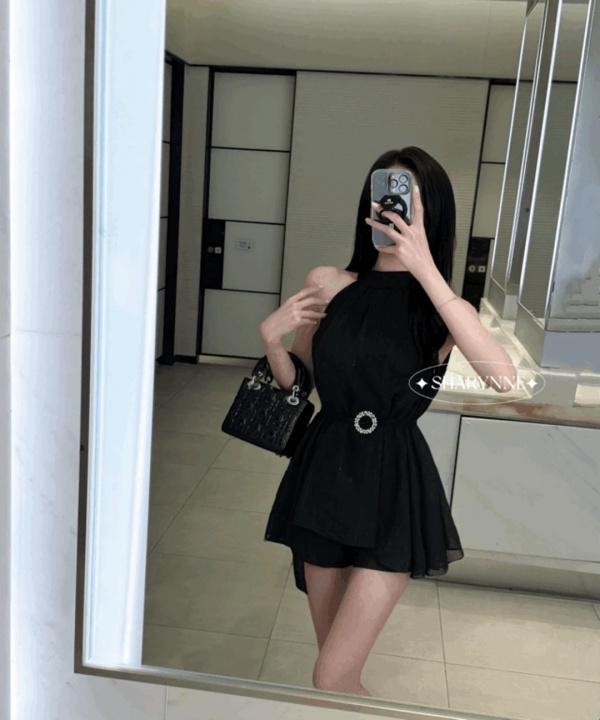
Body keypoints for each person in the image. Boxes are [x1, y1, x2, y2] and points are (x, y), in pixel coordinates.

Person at [258, 147, 517, 698]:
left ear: (432, 214)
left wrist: (425, 269)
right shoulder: (329, 283)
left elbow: (503, 379)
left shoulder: (443, 309)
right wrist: (272, 342)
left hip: (395, 484)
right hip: (324, 474)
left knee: (330, 674)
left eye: (408, 202)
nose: (392, 212)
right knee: (335, 677)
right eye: (385, 197)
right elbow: (300, 385)